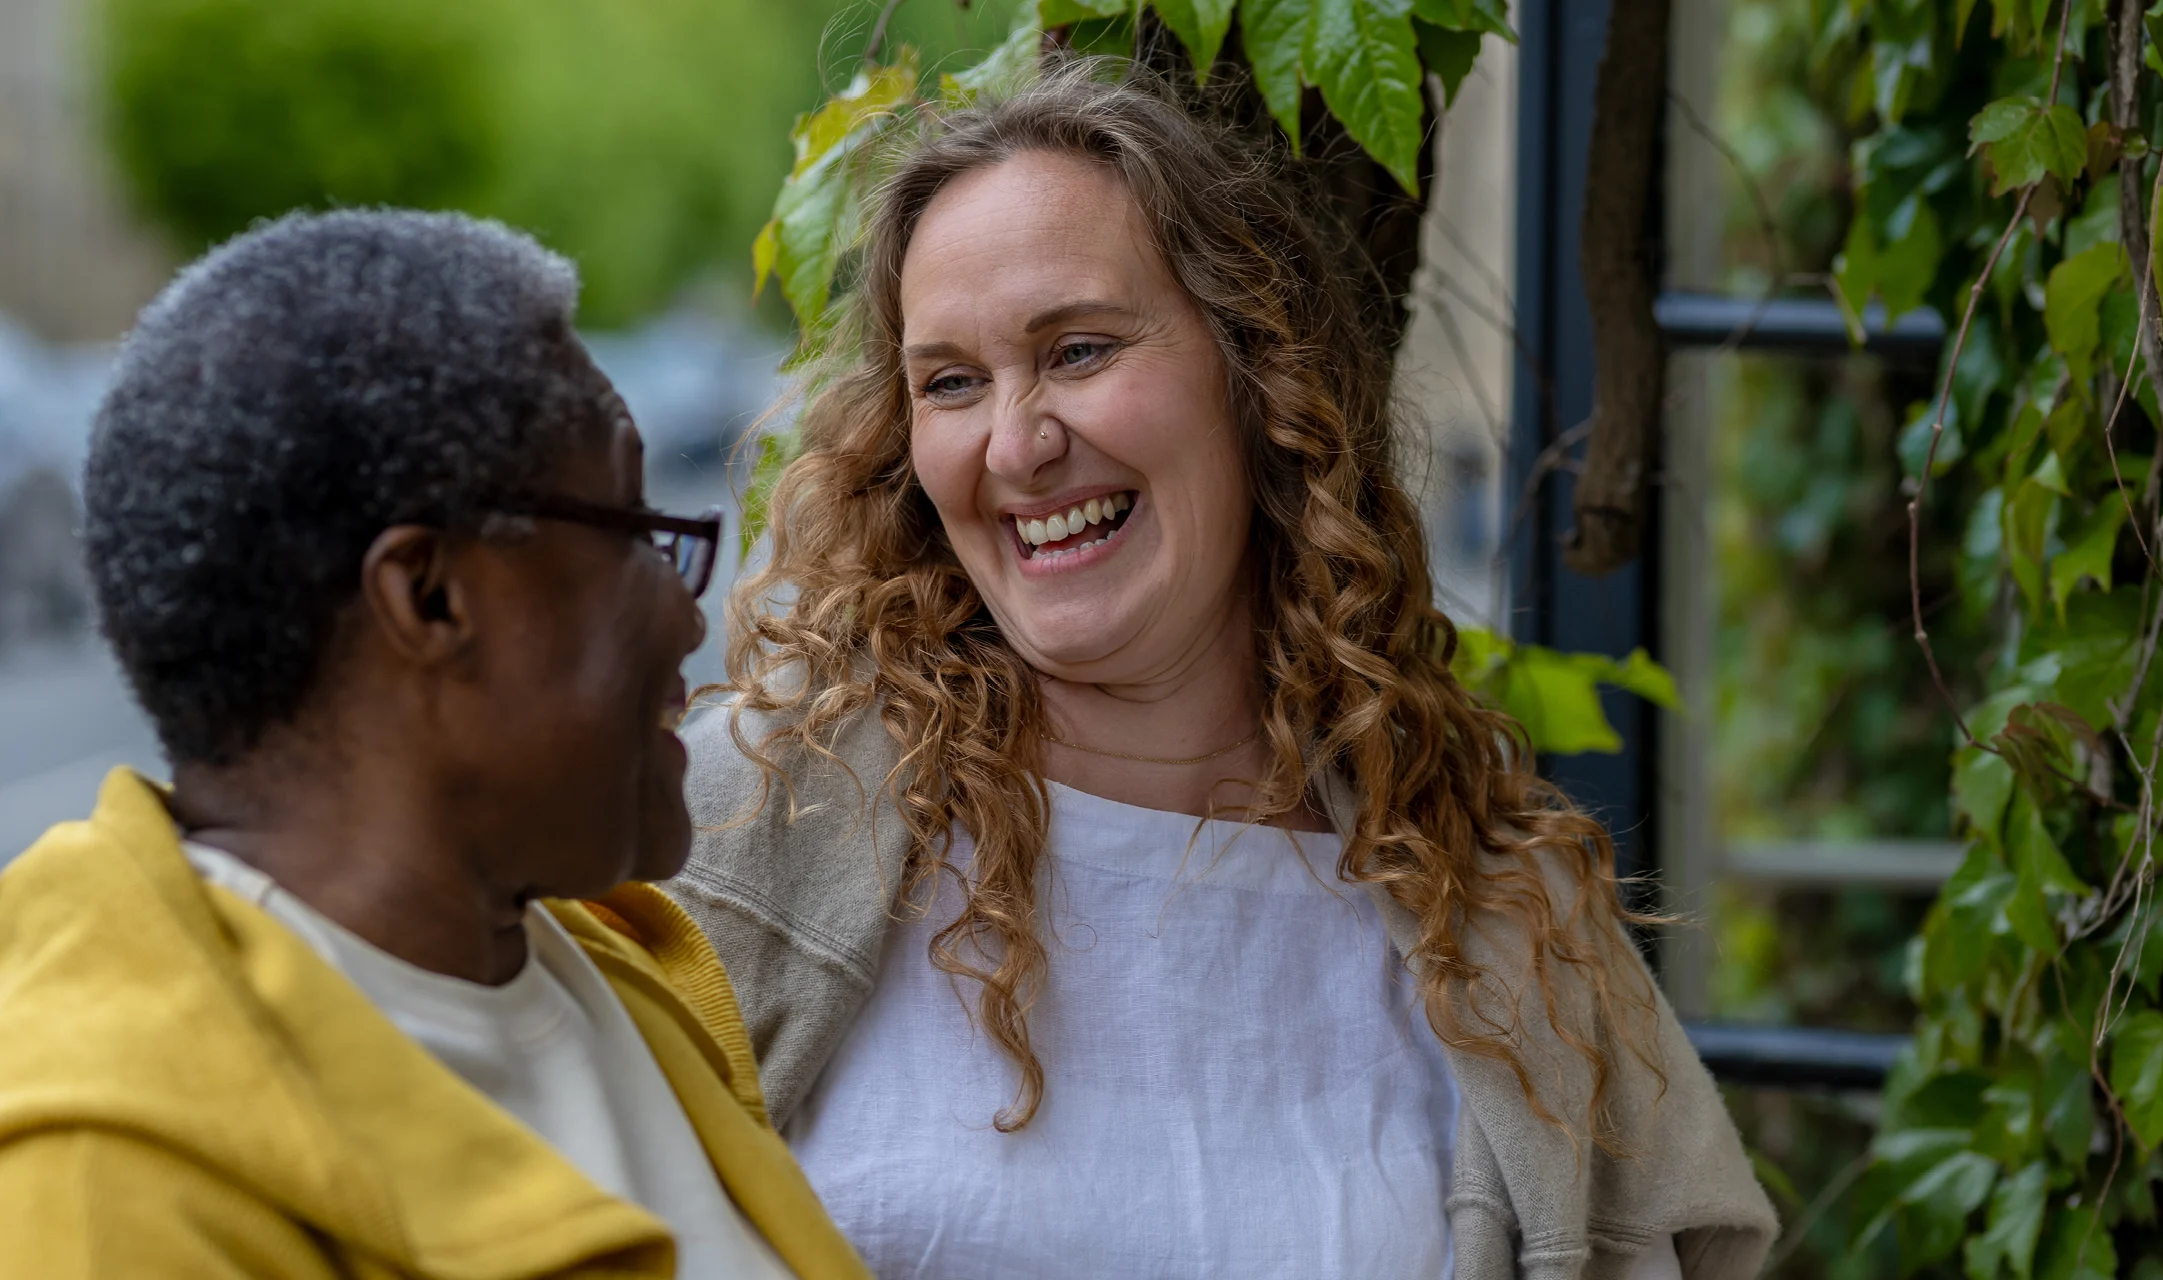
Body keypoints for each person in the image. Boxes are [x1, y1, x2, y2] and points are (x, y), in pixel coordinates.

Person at [674, 71, 1777, 1280]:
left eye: (1078, 349)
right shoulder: (746, 819)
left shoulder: (1501, 908)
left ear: (1256, 372)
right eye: (949, 381)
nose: (1017, 442)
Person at [0, 209, 869, 1280]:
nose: (690, 616)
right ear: (430, 595)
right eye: (636, 531)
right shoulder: (104, 1199)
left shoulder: (616, 975)